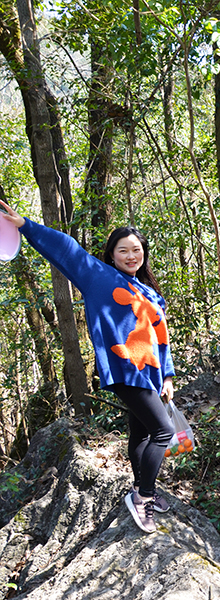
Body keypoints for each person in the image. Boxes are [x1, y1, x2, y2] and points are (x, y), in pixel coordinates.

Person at [0, 199, 175, 534]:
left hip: (150, 372)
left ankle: (139, 487)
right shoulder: (100, 277)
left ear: (144, 253)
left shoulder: (151, 294)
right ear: (111, 255)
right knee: (163, 431)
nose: (130, 256)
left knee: (141, 433)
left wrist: (167, 375)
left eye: (136, 250)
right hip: (124, 367)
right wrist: (26, 226)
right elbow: (68, 250)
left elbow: (161, 338)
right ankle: (144, 497)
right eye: (123, 250)